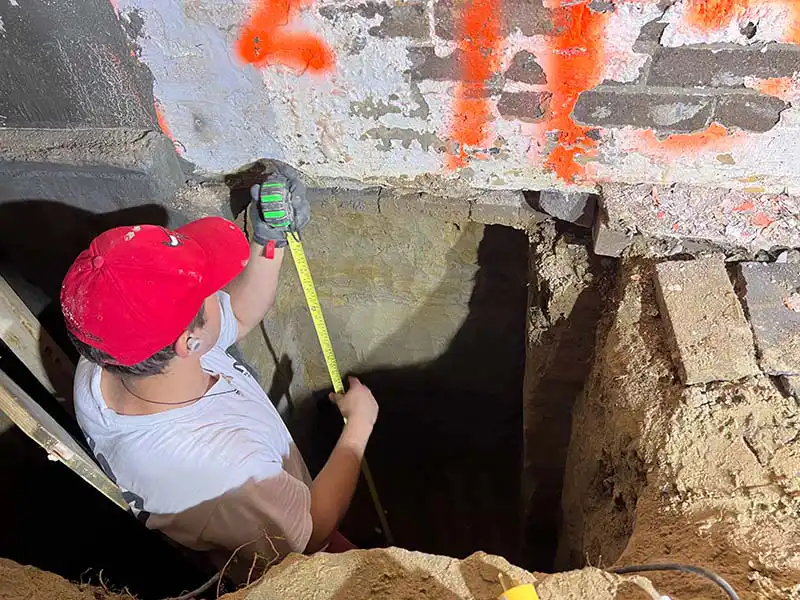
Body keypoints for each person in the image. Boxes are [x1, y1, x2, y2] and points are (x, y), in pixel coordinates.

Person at [60, 173, 377, 578]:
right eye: (208, 290)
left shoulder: (107, 361)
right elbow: (312, 531)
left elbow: (239, 314)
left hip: (250, 516)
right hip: (270, 558)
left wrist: (269, 245)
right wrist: (359, 426)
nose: (218, 289)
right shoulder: (230, 469)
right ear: (188, 342)